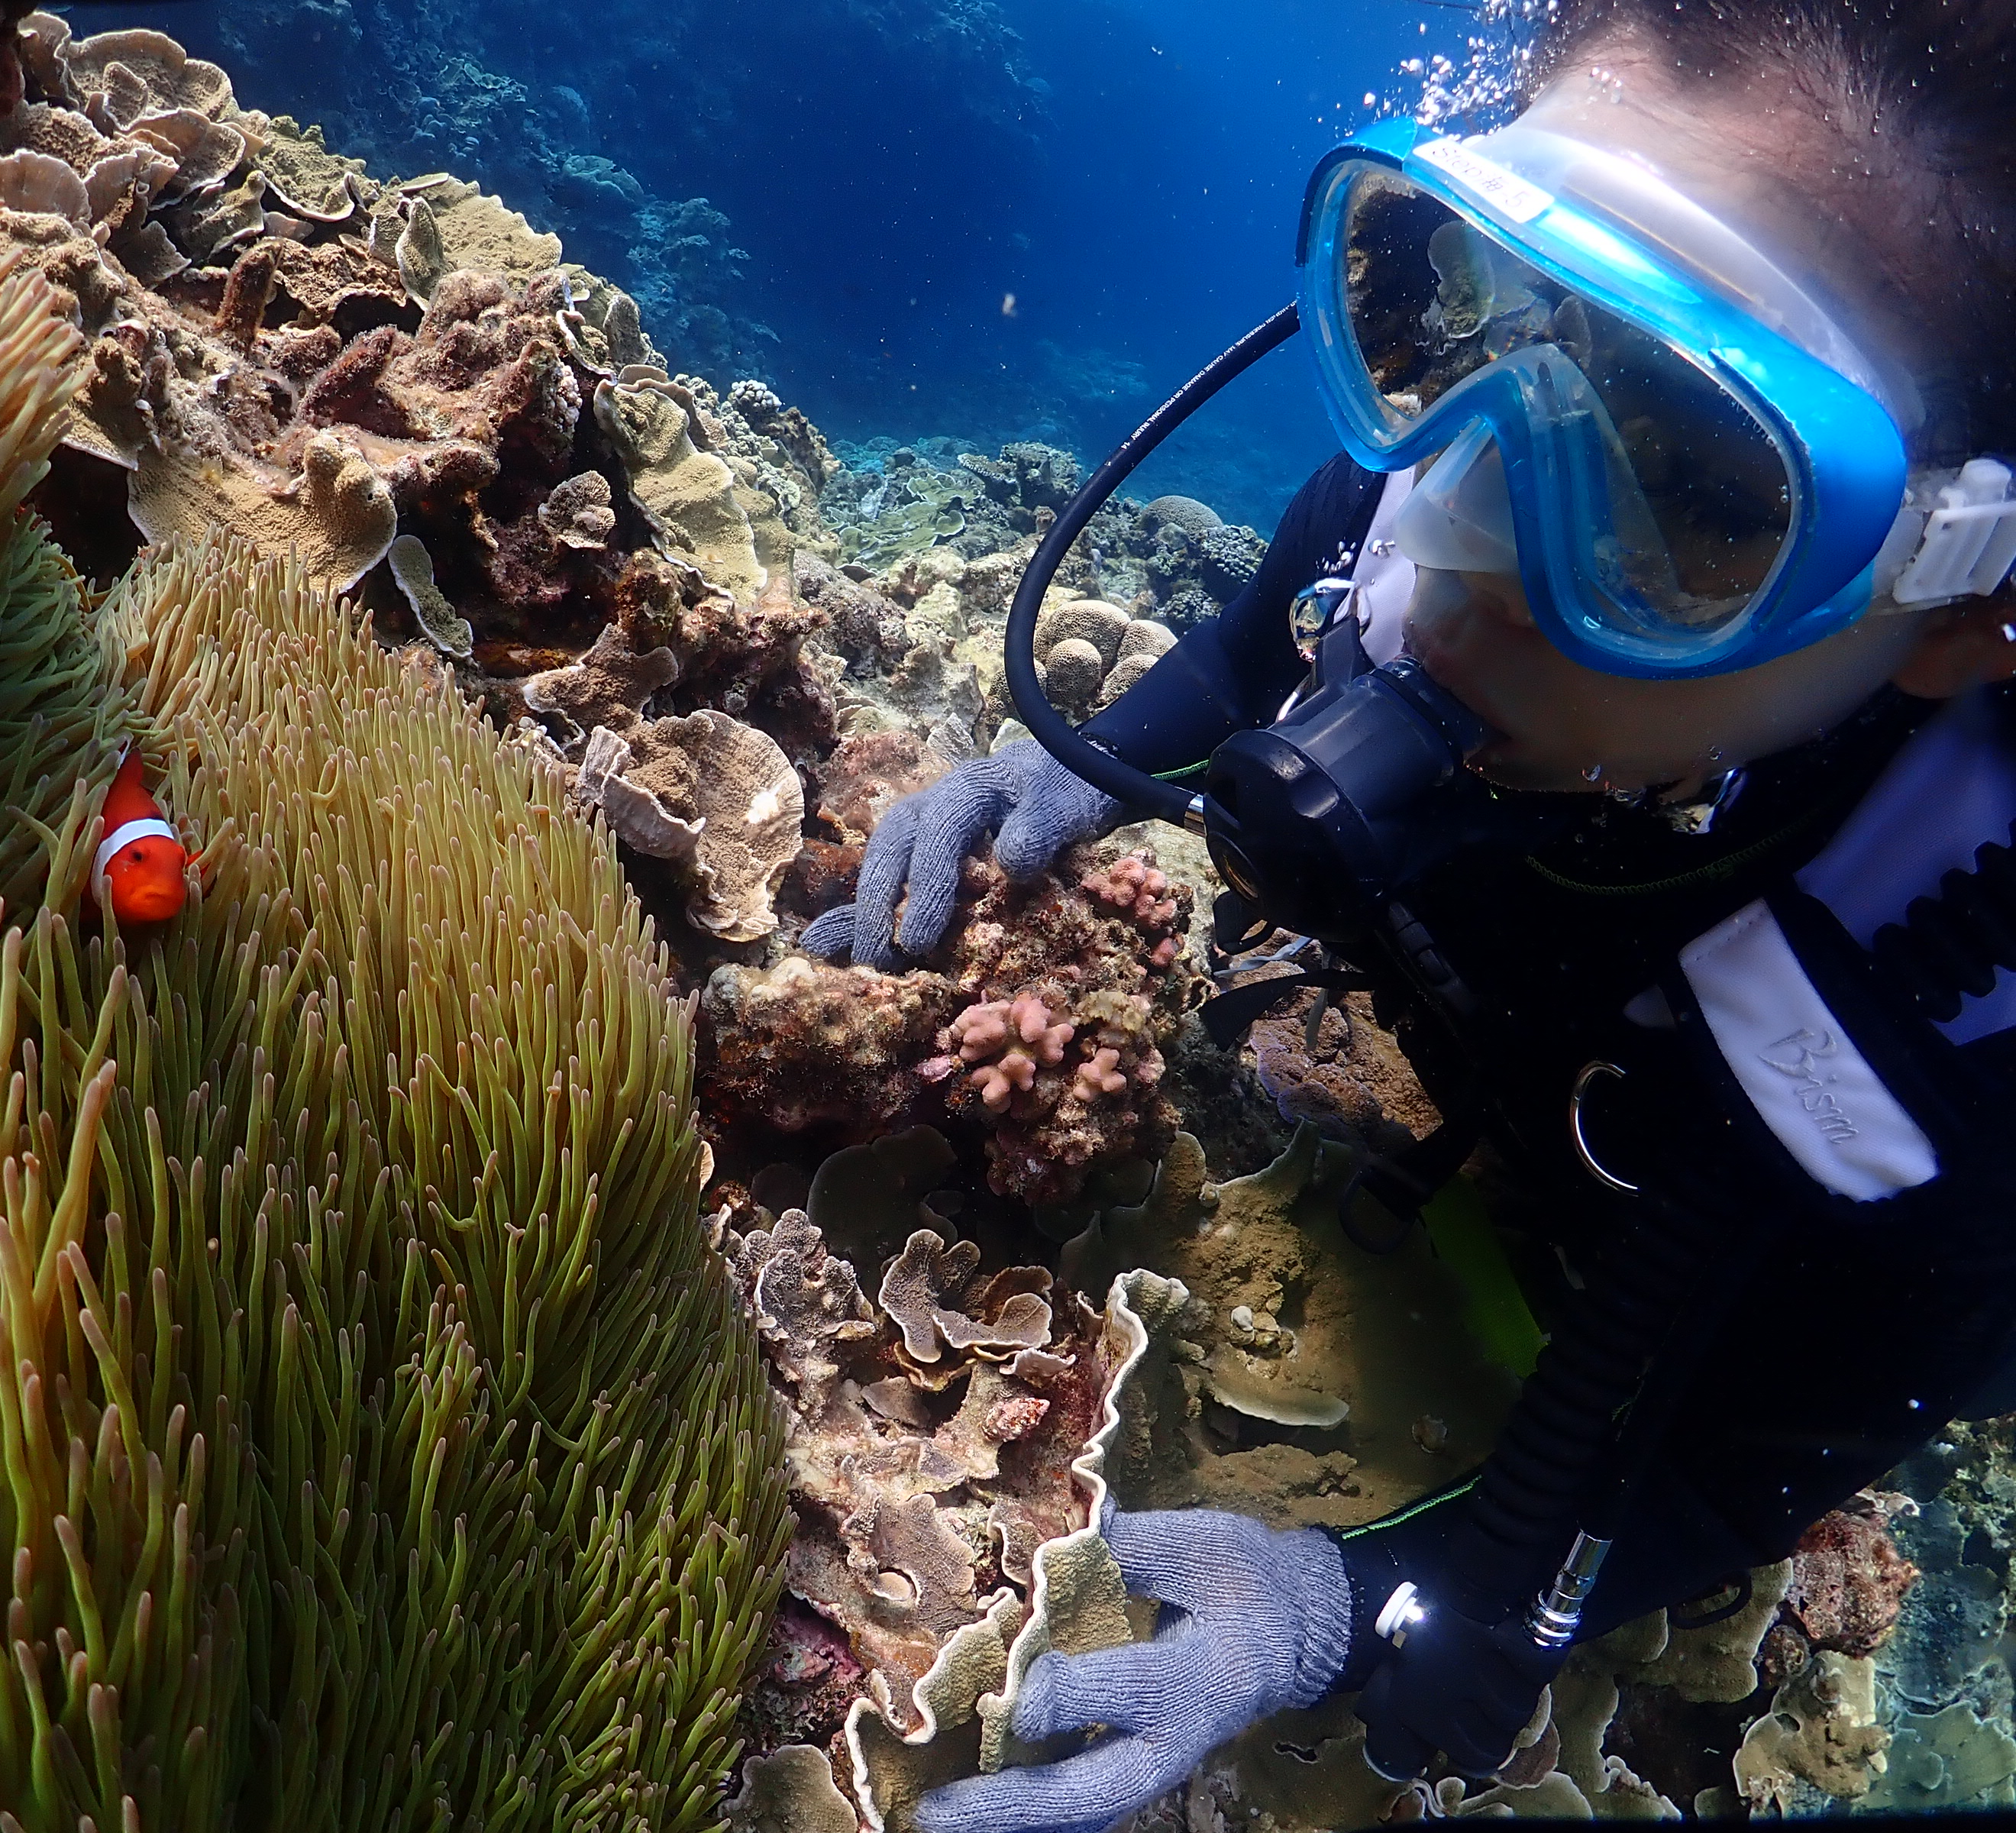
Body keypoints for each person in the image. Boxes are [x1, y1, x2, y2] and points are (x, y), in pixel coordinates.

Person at [802, 2, 2016, 1826]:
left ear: (1965, 602)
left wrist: (1346, 1605)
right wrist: (1074, 773)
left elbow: (1749, 1456)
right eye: (1454, 300)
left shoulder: (1971, 1064)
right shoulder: (1410, 497)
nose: (1458, 523)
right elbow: (1257, 638)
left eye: (1695, 475)